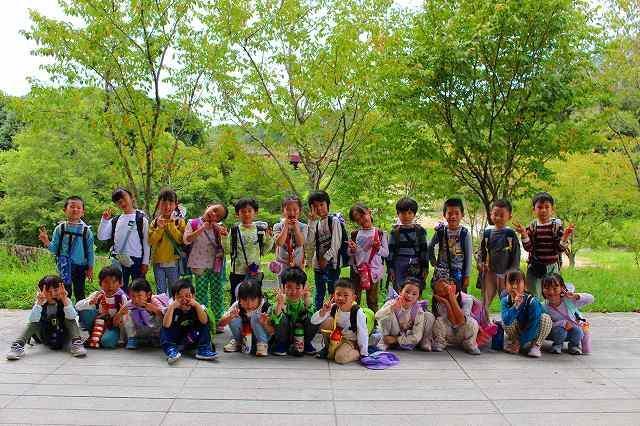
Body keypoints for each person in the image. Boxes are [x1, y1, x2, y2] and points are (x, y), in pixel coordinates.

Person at [6, 275, 86, 360]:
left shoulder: (66, 301)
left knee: (70, 319)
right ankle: (18, 345)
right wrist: (39, 303)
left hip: (63, 335)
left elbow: (73, 316)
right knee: (34, 322)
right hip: (45, 335)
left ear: (62, 289)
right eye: (48, 291)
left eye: (56, 290)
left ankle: (77, 343)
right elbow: (32, 319)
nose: (53, 294)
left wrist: (64, 300)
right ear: (41, 291)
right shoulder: (40, 302)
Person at [514, 192, 574, 299]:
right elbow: (529, 248)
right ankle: (535, 309)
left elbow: (559, 249)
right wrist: (524, 234)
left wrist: (565, 236)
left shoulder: (556, 226)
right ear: (534, 210)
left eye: (547, 207)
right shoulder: (532, 226)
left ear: (552, 209)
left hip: (552, 266)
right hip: (535, 265)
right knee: (533, 293)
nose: (543, 210)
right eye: (540, 207)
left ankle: (551, 308)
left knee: (553, 292)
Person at [38, 196, 95, 302]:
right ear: (65, 210)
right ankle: (65, 311)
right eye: (72, 207)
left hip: (81, 266)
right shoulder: (60, 229)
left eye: (78, 207)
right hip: (64, 266)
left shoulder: (86, 231)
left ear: (83, 212)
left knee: (80, 291)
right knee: (64, 291)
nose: (75, 209)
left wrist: (90, 268)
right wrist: (46, 241)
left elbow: (90, 251)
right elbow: (54, 249)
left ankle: (81, 311)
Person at [97, 188, 150, 292]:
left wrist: (145, 262)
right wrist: (104, 221)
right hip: (119, 259)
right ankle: (122, 303)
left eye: (124, 199)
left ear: (132, 198)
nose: (122, 203)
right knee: (119, 289)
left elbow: (146, 243)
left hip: (137, 260)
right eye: (118, 202)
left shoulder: (141, 219)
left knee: (139, 289)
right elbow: (101, 236)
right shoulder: (115, 220)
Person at [183, 203, 229, 324]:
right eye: (214, 210)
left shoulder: (220, 227)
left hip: (216, 265)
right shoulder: (192, 223)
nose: (214, 214)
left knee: (217, 293)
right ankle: (203, 320)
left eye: (218, 216)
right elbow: (186, 240)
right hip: (199, 265)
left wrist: (223, 235)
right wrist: (202, 228)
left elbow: (225, 247)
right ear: (208, 206)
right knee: (201, 294)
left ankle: (217, 320)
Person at [477, 199, 521, 317]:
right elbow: (482, 251)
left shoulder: (510, 235)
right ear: (490, 214)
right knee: (485, 301)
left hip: (505, 275)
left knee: (507, 301)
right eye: (495, 214)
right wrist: (480, 263)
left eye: (502, 215)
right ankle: (484, 323)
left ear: (509, 216)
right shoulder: (487, 233)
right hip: (489, 274)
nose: (498, 218)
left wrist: (511, 272)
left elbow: (516, 255)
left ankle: (509, 324)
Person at [225, 198, 274, 303]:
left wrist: (270, 239)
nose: (246, 214)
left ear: (255, 213)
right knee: (236, 298)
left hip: (255, 271)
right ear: (237, 214)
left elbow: (264, 251)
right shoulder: (234, 230)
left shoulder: (260, 230)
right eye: (243, 211)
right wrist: (224, 238)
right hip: (237, 272)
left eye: (249, 211)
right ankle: (237, 314)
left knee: (254, 298)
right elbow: (227, 250)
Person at [311, 279, 369, 364]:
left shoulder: (357, 312)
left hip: (349, 341)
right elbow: (313, 321)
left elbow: (363, 333)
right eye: (338, 294)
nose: (341, 298)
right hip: (335, 338)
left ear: (353, 298)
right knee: (327, 322)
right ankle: (327, 348)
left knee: (340, 358)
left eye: (346, 295)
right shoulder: (333, 307)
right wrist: (323, 311)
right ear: (333, 296)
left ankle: (357, 353)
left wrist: (364, 353)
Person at [160, 279, 218, 364]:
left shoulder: (198, 307)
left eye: (187, 296)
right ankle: (171, 350)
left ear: (193, 296)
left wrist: (196, 305)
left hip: (193, 339)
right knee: (164, 327)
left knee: (204, 323)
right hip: (176, 341)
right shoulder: (171, 308)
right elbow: (166, 325)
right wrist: (172, 307)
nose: (184, 300)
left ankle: (204, 349)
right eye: (179, 297)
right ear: (174, 298)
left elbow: (204, 321)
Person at [305, 191, 345, 310]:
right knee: (319, 293)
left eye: (321, 204)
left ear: (328, 204)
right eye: (315, 206)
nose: (319, 208)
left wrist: (326, 259)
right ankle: (318, 315)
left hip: (332, 265)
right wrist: (312, 221)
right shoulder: (316, 224)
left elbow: (336, 245)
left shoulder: (334, 221)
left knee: (333, 292)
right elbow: (309, 242)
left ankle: (334, 315)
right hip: (318, 265)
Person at [501, 270, 552, 357]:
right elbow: (506, 321)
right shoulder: (505, 301)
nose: (514, 286)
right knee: (505, 321)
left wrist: (521, 341)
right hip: (519, 330)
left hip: (535, 330)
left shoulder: (532, 301)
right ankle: (516, 343)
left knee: (545, 318)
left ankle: (535, 345)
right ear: (505, 286)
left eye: (518, 283)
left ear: (525, 286)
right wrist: (515, 307)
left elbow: (534, 323)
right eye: (511, 283)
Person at [348, 203, 388, 312]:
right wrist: (352, 250)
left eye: (362, 216)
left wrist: (378, 248)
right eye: (357, 220)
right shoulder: (355, 234)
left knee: (372, 300)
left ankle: (374, 321)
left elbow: (386, 253)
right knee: (355, 299)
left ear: (369, 212)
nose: (361, 220)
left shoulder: (380, 233)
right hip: (357, 271)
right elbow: (350, 254)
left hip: (373, 271)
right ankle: (354, 319)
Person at [75, 266, 129, 349]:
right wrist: (90, 302)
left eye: (114, 282)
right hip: (98, 323)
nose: (110, 286)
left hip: (113, 326)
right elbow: (77, 306)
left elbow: (126, 320)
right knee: (85, 312)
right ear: (100, 283)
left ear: (120, 283)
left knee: (107, 342)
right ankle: (94, 334)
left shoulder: (122, 298)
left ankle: (99, 337)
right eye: (106, 282)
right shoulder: (98, 295)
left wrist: (121, 339)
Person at [375, 278, 435, 351]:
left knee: (429, 316)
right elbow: (377, 316)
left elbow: (416, 336)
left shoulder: (418, 311)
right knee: (387, 313)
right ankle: (385, 341)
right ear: (400, 292)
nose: (409, 296)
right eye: (407, 292)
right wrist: (391, 308)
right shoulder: (393, 303)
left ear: (418, 297)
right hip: (392, 332)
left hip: (407, 336)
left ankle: (425, 341)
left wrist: (396, 339)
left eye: (414, 294)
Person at [269, 267, 317, 356]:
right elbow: (274, 320)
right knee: (281, 317)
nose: (293, 292)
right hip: (284, 336)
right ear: (283, 287)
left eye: (298, 288)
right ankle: (281, 344)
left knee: (313, 318)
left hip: (301, 337)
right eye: (289, 287)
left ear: (304, 288)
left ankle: (306, 343)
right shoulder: (280, 302)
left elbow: (315, 320)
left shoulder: (305, 302)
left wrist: (307, 300)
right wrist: (279, 304)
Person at [542, 273, 594, 355]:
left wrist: (576, 296)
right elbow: (545, 324)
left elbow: (591, 298)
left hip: (572, 331)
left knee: (578, 331)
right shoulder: (544, 306)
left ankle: (574, 345)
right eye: (547, 288)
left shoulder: (569, 301)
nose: (551, 292)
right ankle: (557, 345)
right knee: (560, 330)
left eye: (555, 288)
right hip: (555, 333)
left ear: (562, 288)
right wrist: (562, 324)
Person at [218, 279, 273, 357]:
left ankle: (262, 345)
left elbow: (272, 332)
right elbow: (220, 324)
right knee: (233, 317)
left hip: (262, 337)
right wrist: (230, 317)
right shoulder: (237, 306)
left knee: (255, 317)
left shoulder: (266, 307)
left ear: (260, 298)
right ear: (239, 299)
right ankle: (238, 342)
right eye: (244, 300)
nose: (249, 305)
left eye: (253, 300)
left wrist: (265, 324)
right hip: (244, 337)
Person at [429, 198, 473, 292]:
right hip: (441, 273)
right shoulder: (440, 231)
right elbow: (430, 246)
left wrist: (467, 275)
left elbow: (468, 256)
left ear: (462, 215)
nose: (453, 216)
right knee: (440, 295)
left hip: (458, 273)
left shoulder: (464, 234)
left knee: (457, 296)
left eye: (457, 213)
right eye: (449, 213)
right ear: (444, 215)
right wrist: (433, 260)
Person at [148, 188, 186, 295]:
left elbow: (181, 240)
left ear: (175, 205)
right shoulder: (155, 222)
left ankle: (173, 306)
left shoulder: (179, 221)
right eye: (164, 203)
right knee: (161, 291)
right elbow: (151, 241)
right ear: (158, 204)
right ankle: (162, 306)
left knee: (174, 290)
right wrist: (159, 228)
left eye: (171, 203)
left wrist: (172, 225)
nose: (167, 206)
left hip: (173, 261)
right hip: (158, 262)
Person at [387, 197, 429, 293]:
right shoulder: (395, 232)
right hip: (399, 266)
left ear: (414, 214)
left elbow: (424, 251)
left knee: (414, 291)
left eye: (409, 213)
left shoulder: (420, 231)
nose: (406, 216)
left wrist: (425, 268)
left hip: (415, 266)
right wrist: (390, 269)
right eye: (403, 213)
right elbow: (390, 252)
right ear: (398, 214)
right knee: (399, 291)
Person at [431, 278, 481, 355]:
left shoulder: (467, 299)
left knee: (472, 322)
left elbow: (461, 321)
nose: (444, 292)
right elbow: (453, 321)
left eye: (446, 287)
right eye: (439, 291)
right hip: (449, 332)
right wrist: (447, 303)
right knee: (439, 321)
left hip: (463, 331)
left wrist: (452, 298)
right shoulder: (440, 300)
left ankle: (469, 344)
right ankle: (440, 342)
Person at [122, 278, 168, 349]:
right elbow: (118, 318)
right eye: (133, 296)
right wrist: (120, 313)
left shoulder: (154, 301)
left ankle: (155, 337)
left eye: (139, 296)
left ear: (148, 295)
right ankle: (132, 338)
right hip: (140, 331)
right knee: (126, 313)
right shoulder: (130, 303)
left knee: (159, 313)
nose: (136, 299)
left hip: (153, 329)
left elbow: (165, 317)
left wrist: (154, 310)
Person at [271, 196, 308, 275]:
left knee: (297, 283)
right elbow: (279, 243)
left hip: (298, 265)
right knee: (283, 283)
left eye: (295, 210)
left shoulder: (303, 227)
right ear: (283, 211)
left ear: (299, 211)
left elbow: (300, 243)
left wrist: (296, 228)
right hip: (281, 266)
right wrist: (286, 226)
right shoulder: (277, 226)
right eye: (288, 210)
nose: (292, 213)